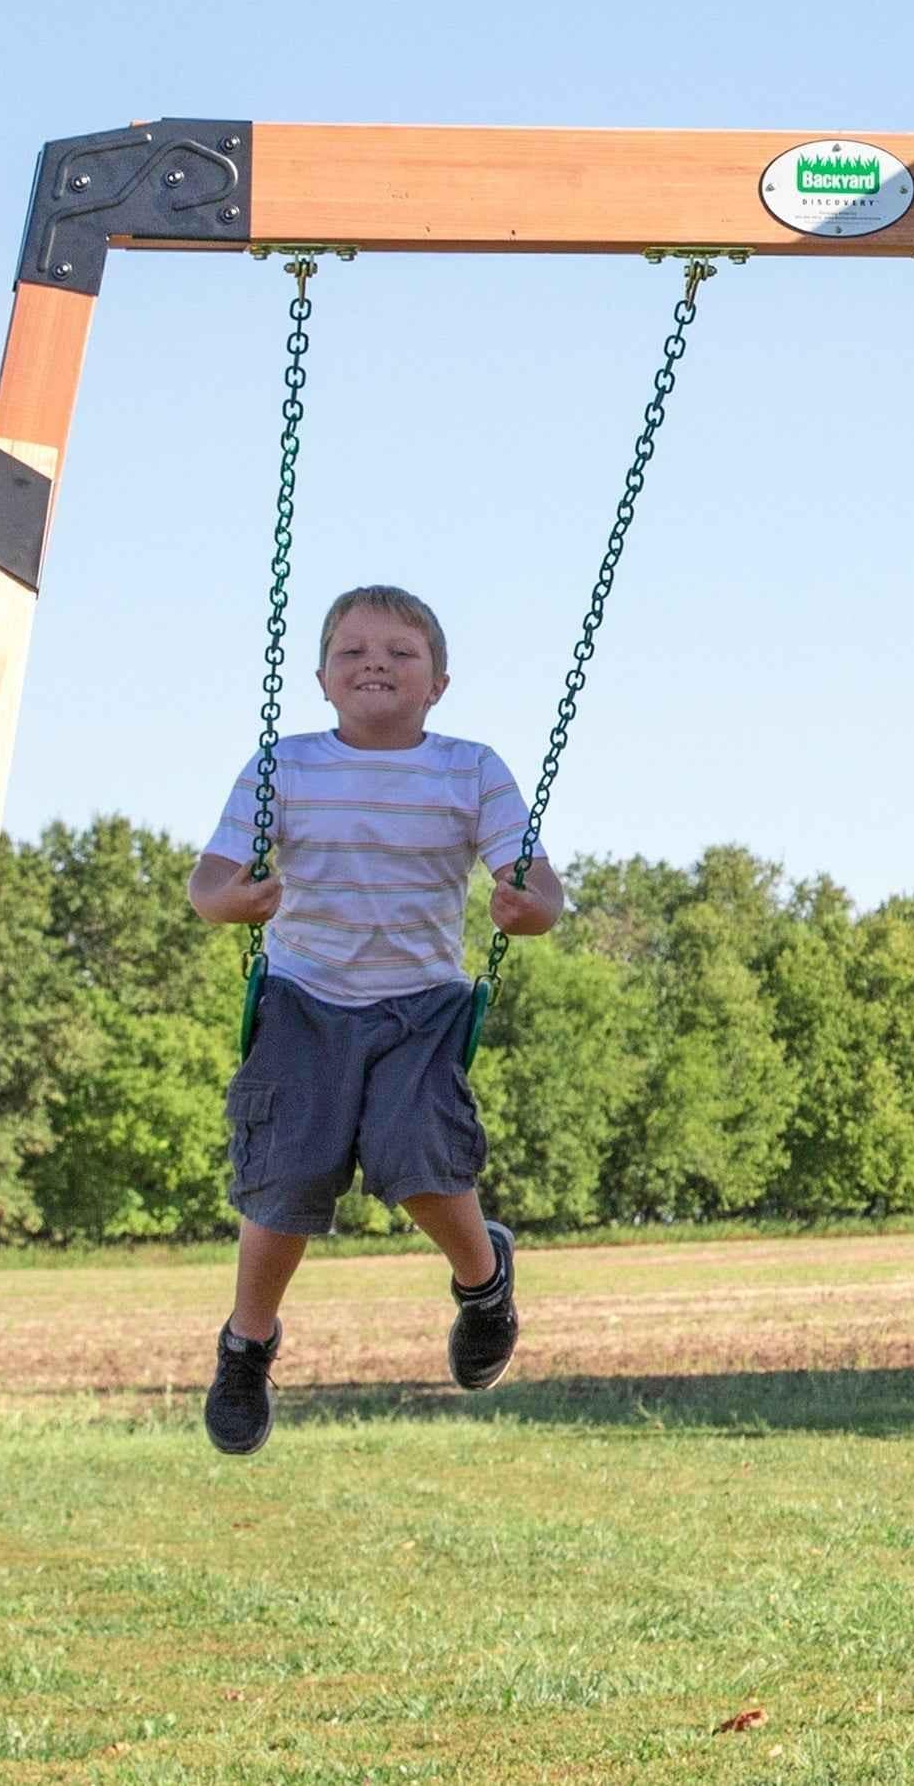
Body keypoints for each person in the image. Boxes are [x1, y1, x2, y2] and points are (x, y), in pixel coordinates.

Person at [187, 583, 564, 1455]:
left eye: (401, 653)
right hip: (302, 997)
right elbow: (207, 881)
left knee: (421, 1157)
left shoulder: (471, 768)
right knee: (287, 1172)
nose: (376, 666)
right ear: (321, 677)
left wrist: (524, 910)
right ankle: (247, 1346)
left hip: (422, 1003)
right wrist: (231, 902)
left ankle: (482, 1282)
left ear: (438, 681)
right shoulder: (284, 764)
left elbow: (540, 887)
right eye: (353, 652)